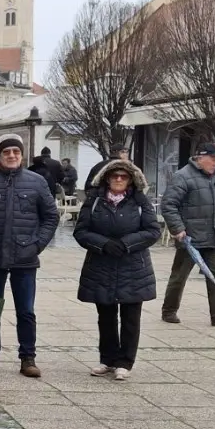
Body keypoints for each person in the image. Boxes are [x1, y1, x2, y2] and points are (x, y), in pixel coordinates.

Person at [0, 135, 59, 378]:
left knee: (26, 310)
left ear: (22, 154)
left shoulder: (36, 182)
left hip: (25, 257)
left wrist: (37, 244)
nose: (11, 155)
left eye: (16, 151)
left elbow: (51, 216)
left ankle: (28, 357)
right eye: (6, 152)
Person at [74, 159, 161, 381]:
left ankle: (125, 361)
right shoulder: (95, 201)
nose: (119, 179)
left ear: (131, 179)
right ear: (107, 179)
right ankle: (108, 358)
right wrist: (102, 244)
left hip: (132, 265)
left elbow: (152, 231)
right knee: (106, 315)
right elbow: (81, 231)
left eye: (124, 176)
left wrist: (126, 244)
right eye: (115, 176)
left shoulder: (139, 201)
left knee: (131, 316)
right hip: (101, 264)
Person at [159, 141, 215, 327]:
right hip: (190, 237)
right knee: (179, 276)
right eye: (213, 159)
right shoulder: (183, 176)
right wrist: (178, 229)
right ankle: (169, 310)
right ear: (200, 158)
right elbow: (169, 205)